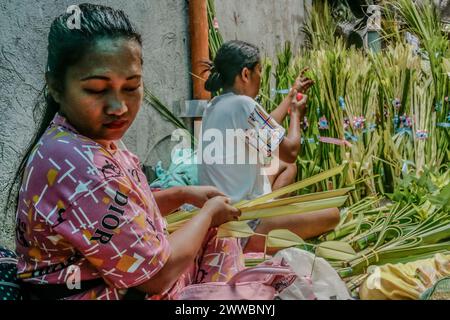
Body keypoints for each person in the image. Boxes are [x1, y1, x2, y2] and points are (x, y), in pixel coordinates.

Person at [8, 4, 246, 300]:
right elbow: (155, 278)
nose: (118, 107)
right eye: (96, 89)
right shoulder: (79, 163)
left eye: (131, 87)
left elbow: (120, 210)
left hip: (124, 280)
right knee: (220, 236)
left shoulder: (85, 137)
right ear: (56, 87)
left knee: (213, 232)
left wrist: (183, 195)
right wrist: (209, 214)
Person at [198, 40, 340, 254]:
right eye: (260, 71)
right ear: (246, 74)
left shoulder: (215, 105)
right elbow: (291, 151)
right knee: (332, 213)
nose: (261, 77)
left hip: (220, 214)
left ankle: (271, 218)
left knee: (284, 168)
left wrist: (291, 95)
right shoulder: (244, 105)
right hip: (241, 224)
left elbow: (267, 127)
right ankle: (258, 238)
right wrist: (295, 114)